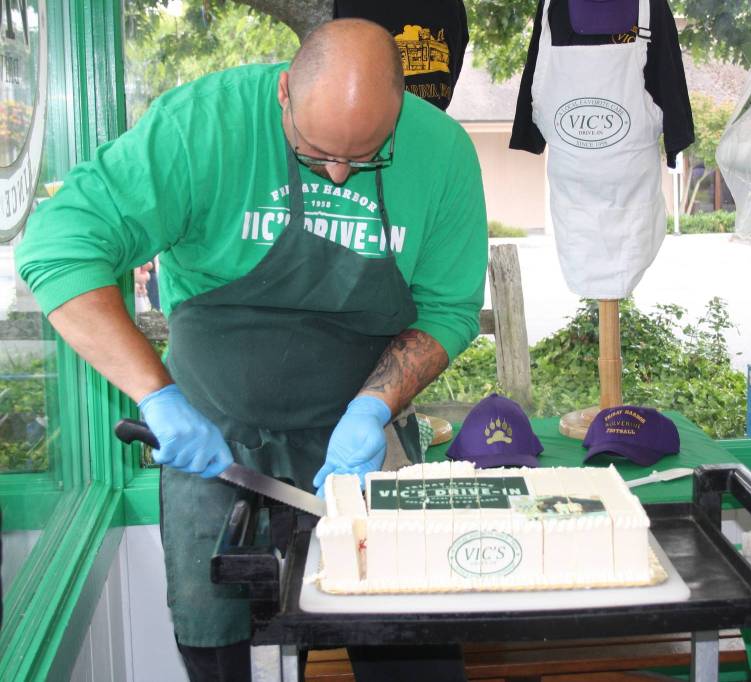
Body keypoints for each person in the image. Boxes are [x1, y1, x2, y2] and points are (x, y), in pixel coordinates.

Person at [15, 19, 487, 682]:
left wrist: (371, 411)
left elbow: (447, 308)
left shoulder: (442, 154)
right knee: (219, 643)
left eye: (366, 154)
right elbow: (59, 249)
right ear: (285, 93)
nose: (339, 171)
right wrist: (157, 397)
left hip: (358, 424)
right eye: (316, 150)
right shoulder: (202, 126)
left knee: (408, 643)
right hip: (213, 429)